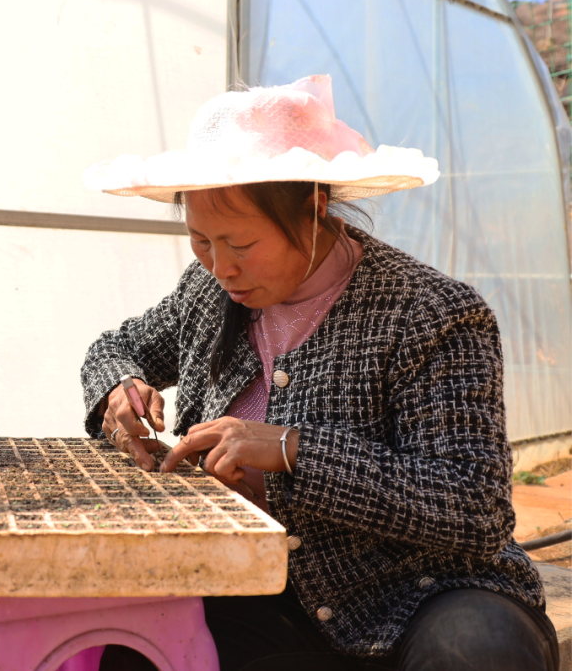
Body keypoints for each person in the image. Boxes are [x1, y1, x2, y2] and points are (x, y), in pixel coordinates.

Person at [80, 76, 558, 671]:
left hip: (422, 597)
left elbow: (470, 508)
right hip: (260, 593)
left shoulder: (430, 314)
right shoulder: (207, 293)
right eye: (201, 241)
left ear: (314, 208)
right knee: (132, 646)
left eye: (241, 243)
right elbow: (115, 348)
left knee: (477, 653)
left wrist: (292, 450)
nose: (220, 265)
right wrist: (119, 392)